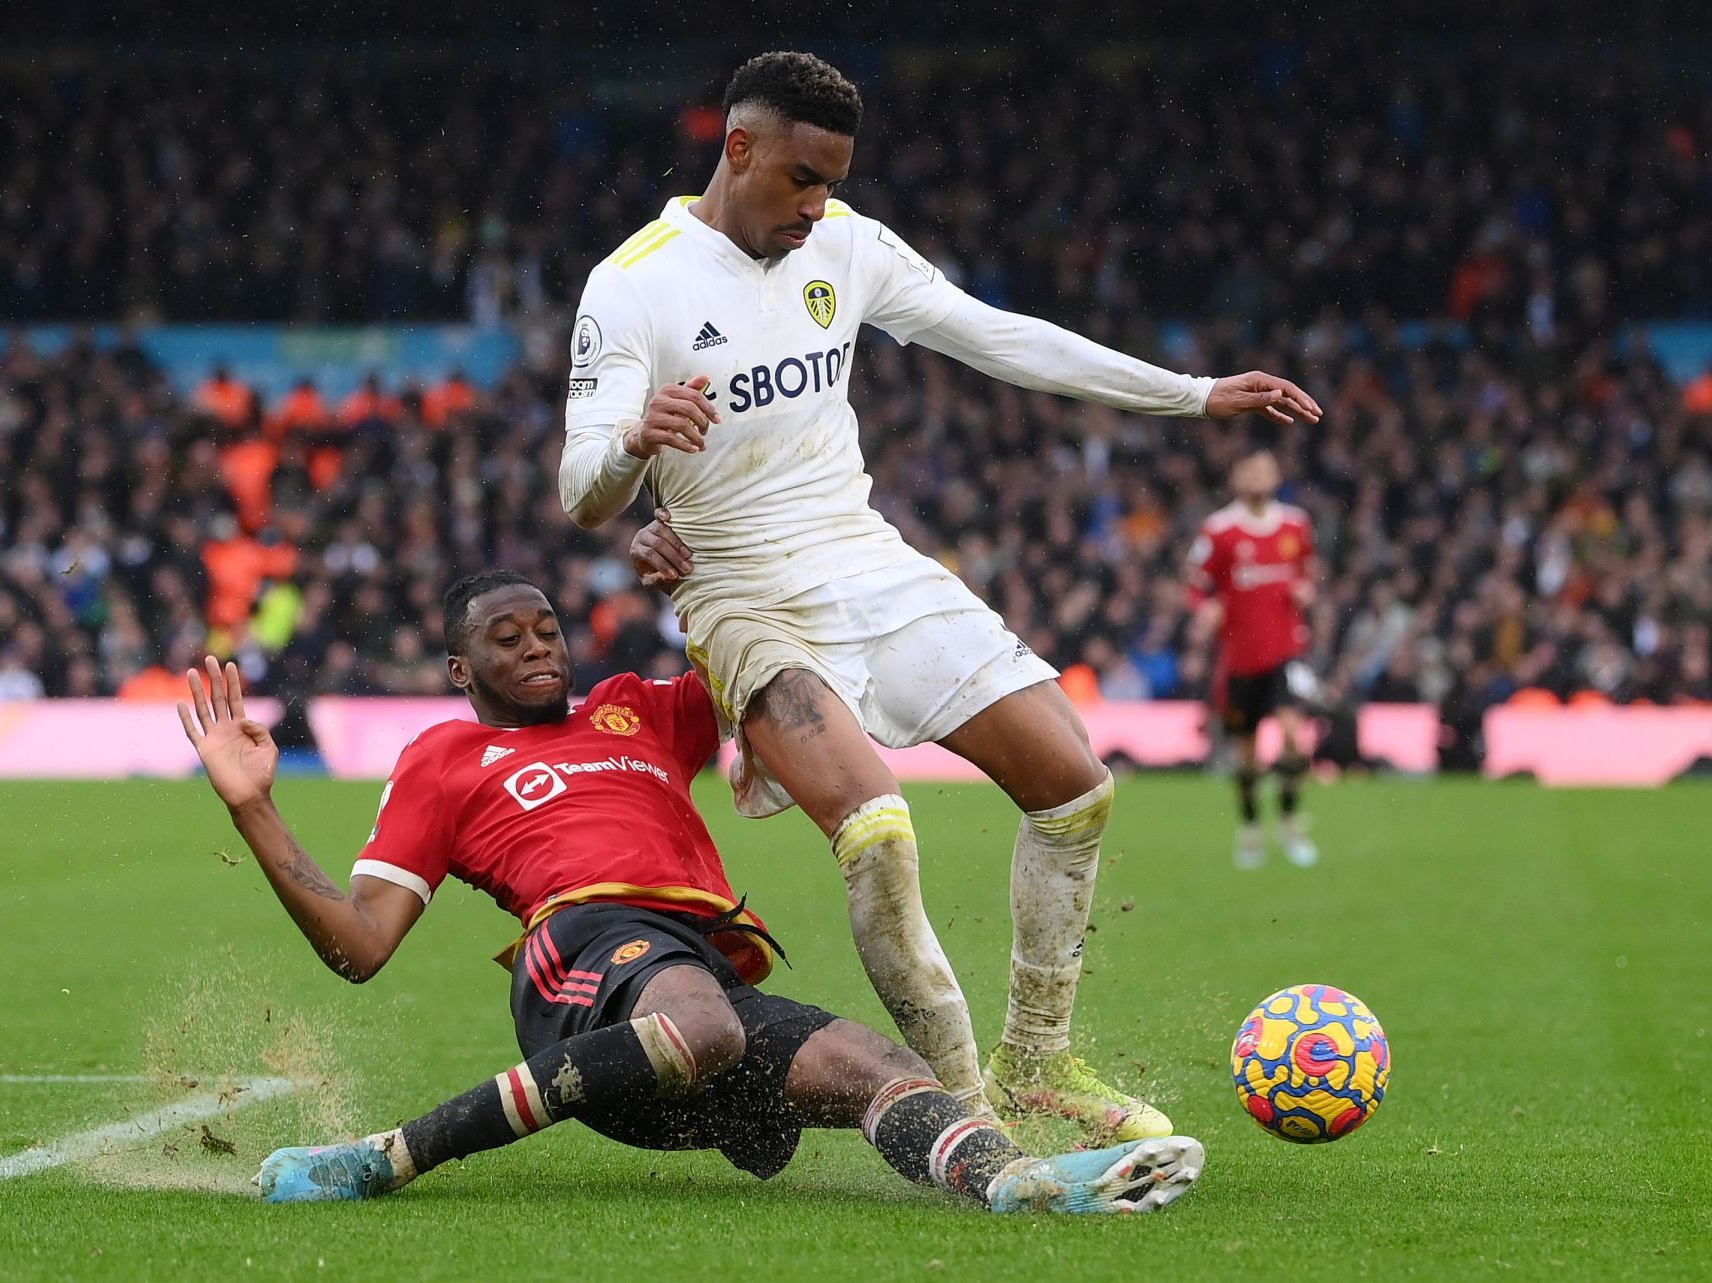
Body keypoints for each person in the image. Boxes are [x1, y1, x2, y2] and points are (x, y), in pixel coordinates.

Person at [564, 49, 1322, 1138]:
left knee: (1075, 785)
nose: (818, 204)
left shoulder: (848, 245)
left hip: (868, 557)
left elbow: (997, 336)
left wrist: (1190, 395)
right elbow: (580, 488)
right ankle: (965, 1117)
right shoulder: (635, 282)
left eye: (833, 180)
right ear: (739, 148)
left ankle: (1037, 1064)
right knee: (878, 830)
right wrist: (633, 444)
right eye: (801, 178)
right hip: (740, 590)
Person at [173, 570, 1205, 1214]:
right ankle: (389, 1155)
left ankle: (1016, 1182)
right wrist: (252, 807)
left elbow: (752, 661)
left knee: (881, 1066)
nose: (539, 646)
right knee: (702, 1021)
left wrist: (697, 577)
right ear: (458, 665)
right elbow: (360, 940)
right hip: (579, 960)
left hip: (695, 965)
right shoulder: (444, 756)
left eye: (546, 628)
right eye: (507, 638)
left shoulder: (638, 710)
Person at [1185, 450, 1320, 869]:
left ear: (1277, 475)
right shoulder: (1220, 530)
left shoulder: (1295, 524)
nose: (1260, 476)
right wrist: (1204, 608)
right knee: (1247, 755)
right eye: (1252, 469)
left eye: (1266, 468)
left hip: (1286, 651)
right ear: (1237, 477)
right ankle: (1249, 830)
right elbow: (1194, 582)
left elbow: (1307, 569)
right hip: (1241, 659)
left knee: (1294, 734)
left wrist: (1306, 589)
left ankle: (1291, 820)